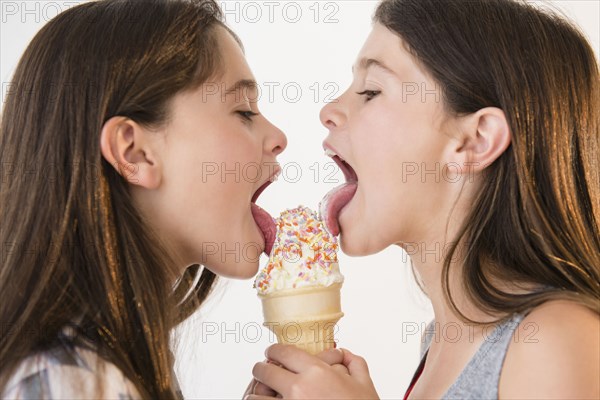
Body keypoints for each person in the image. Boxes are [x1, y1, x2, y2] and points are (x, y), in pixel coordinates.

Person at [248, 0, 599, 399]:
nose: (329, 110)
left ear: (474, 141)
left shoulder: (556, 340)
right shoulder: (440, 341)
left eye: (371, 90)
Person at [0, 0, 296, 398]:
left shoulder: (110, 368)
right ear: (134, 153)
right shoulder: (71, 381)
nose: (278, 137)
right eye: (243, 111)